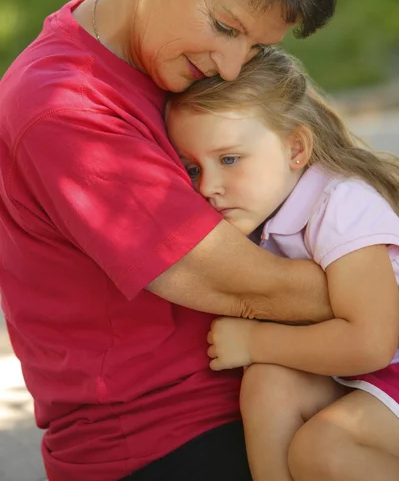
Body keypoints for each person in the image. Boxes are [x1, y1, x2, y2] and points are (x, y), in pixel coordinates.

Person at [0, 0, 345, 480]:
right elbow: (249, 287)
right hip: (165, 434)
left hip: (284, 377)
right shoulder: (64, 108)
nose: (234, 66)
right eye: (226, 26)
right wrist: (375, 292)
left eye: (259, 45)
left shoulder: (167, 48)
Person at [166, 47, 399, 481]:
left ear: (295, 148)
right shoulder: (261, 209)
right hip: (371, 379)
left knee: (321, 450)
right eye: (193, 169)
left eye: (229, 159)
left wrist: (255, 342)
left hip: (385, 366)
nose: (209, 188)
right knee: (269, 384)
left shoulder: (340, 204)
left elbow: (372, 342)